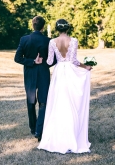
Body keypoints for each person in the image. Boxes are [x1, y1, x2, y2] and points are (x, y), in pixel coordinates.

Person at [38, 19, 92, 154]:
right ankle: (71, 137)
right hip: (70, 72)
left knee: (58, 103)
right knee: (71, 102)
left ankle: (57, 137)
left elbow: (50, 61)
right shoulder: (73, 41)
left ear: (57, 29)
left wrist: (41, 59)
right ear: (68, 29)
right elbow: (73, 60)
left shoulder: (52, 42)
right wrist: (86, 66)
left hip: (58, 73)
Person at [14, 16, 56, 141]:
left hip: (30, 74)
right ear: (43, 27)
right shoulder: (49, 40)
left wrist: (32, 61)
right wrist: (44, 64)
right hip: (43, 73)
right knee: (43, 102)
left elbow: (17, 58)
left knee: (31, 102)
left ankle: (33, 128)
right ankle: (39, 130)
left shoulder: (24, 39)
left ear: (33, 25)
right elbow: (53, 59)